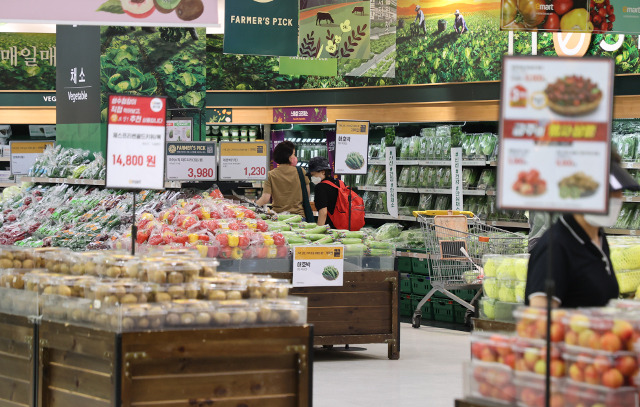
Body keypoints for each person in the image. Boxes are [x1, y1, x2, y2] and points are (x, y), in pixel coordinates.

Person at [525, 153, 640, 309]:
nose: (617, 198)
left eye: (618, 191)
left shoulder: (598, 237)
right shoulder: (554, 248)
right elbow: (539, 322)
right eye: (609, 192)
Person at [255, 141, 310, 218]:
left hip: (278, 217)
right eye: (294, 154)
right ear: (290, 158)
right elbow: (307, 194)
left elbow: (265, 198)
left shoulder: (271, 174)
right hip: (298, 216)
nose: (295, 157)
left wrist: (252, 207)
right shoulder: (301, 171)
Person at [308, 157, 339, 228]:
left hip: (330, 227)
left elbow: (323, 212)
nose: (312, 178)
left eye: (313, 175)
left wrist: (318, 231)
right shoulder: (338, 183)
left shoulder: (320, 187)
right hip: (343, 225)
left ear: (323, 172)